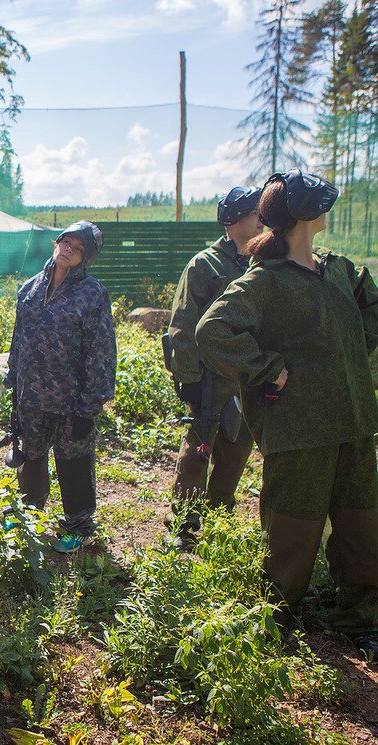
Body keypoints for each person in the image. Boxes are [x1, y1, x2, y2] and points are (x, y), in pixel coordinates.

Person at [196, 170, 378, 657]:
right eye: (321, 204)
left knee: (363, 529)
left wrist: (354, 349)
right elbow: (212, 331)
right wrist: (266, 368)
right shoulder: (265, 281)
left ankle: (357, 618)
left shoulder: (338, 269)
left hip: (356, 422)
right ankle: (276, 620)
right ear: (303, 215)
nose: (328, 211)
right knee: (292, 535)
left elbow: (372, 308)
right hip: (299, 431)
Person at [4, 221, 116, 553]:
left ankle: (78, 526)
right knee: (32, 456)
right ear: (57, 243)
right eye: (66, 242)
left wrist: (90, 404)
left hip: (72, 400)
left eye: (78, 248)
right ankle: (29, 513)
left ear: (86, 258)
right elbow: (18, 340)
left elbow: (102, 351)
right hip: (32, 395)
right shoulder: (30, 288)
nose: (68, 249)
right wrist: (13, 380)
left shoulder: (92, 294)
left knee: (73, 461)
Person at [164, 186, 263, 548]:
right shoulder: (204, 265)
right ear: (234, 221)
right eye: (254, 215)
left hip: (247, 377)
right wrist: (189, 379)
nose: (261, 222)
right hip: (209, 380)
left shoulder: (261, 263)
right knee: (198, 451)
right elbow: (183, 324)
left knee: (237, 451)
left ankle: (220, 521)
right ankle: (184, 525)